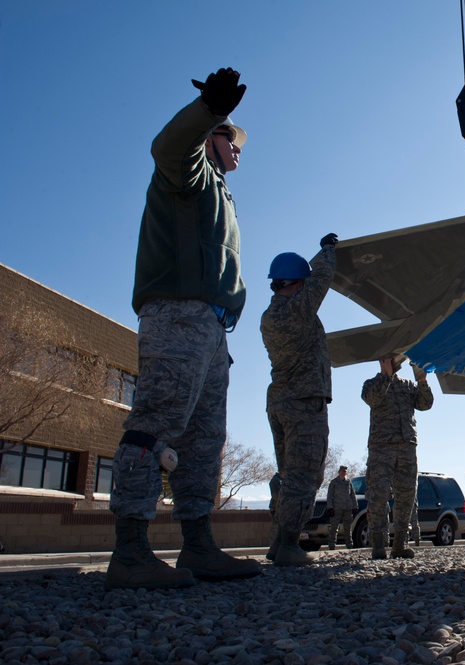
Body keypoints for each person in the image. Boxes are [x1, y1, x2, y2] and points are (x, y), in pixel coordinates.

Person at [107, 67, 261, 590]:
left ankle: (197, 547)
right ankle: (129, 549)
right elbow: (168, 148)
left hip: (213, 328)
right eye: (230, 137)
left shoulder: (219, 190)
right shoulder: (187, 171)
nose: (238, 148)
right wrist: (208, 111)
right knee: (155, 423)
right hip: (178, 314)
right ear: (210, 138)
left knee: (203, 440)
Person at [261, 234, 339, 566]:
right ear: (295, 283)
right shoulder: (297, 310)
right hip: (304, 402)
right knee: (303, 476)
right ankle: (290, 544)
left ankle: (280, 542)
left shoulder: (270, 316)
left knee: (288, 474)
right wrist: (327, 251)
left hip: (280, 403)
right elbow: (321, 279)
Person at [362, 356, 433, 559]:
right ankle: (378, 545)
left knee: (406, 496)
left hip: (407, 447)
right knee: (378, 496)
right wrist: (385, 376)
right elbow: (373, 399)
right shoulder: (371, 384)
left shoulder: (408, 385)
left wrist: (422, 381)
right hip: (381, 447)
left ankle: (400, 544)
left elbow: (425, 404)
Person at [326, 465, 358, 550]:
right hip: (337, 508)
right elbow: (329, 496)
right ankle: (332, 545)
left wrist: (355, 506)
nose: (343, 473)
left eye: (345, 472)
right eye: (342, 471)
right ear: (339, 472)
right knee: (334, 527)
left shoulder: (348, 482)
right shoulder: (334, 482)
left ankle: (349, 545)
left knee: (347, 528)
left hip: (348, 508)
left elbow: (353, 495)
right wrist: (330, 507)